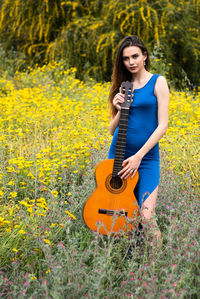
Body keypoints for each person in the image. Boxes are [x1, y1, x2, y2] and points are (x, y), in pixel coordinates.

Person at [108, 35, 169, 248]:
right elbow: (111, 130)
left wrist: (138, 156)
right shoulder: (123, 85)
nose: (131, 62)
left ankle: (156, 272)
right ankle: (128, 265)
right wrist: (118, 110)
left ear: (144, 56)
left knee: (146, 218)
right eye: (126, 59)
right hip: (118, 158)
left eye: (135, 56)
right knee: (122, 216)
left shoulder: (158, 82)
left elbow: (163, 125)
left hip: (145, 159)